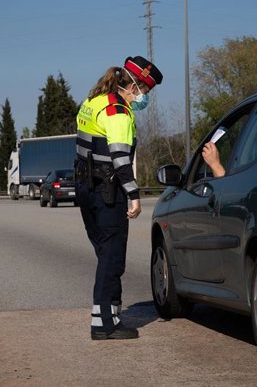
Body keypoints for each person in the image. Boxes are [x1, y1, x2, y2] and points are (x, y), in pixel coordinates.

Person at [75, 55, 163, 340]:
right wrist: (134, 195)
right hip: (107, 191)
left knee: (105, 253)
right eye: (146, 92)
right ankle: (103, 324)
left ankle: (111, 312)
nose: (144, 98)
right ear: (135, 86)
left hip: (85, 188)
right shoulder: (118, 111)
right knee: (112, 257)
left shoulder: (93, 101)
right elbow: (120, 158)